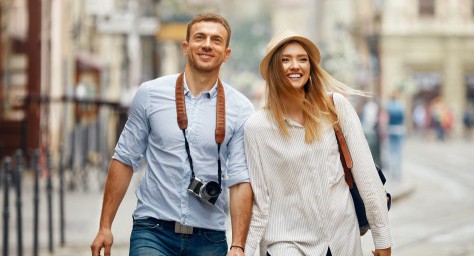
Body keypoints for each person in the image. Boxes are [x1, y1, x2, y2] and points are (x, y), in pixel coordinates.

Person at [90, 12, 254, 256]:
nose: (207, 44)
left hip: (209, 237)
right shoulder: (149, 94)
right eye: (200, 37)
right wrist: (105, 226)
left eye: (216, 40)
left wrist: (238, 245)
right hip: (153, 231)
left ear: (226, 54)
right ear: (186, 47)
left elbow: (240, 180)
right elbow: (124, 159)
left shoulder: (241, 108)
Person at [243, 30, 392, 256]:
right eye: (286, 60)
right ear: (274, 69)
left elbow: (366, 176)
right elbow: (260, 202)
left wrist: (382, 239)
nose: (295, 65)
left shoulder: (335, 108)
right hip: (286, 243)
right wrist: (244, 249)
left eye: (302, 59)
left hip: (342, 239)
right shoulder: (256, 127)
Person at [386, 91, 405, 181]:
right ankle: (398, 172)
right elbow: (403, 118)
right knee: (398, 152)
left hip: (391, 129)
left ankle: (392, 171)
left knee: (391, 151)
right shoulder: (400, 106)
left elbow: (387, 118)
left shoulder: (388, 106)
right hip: (399, 129)